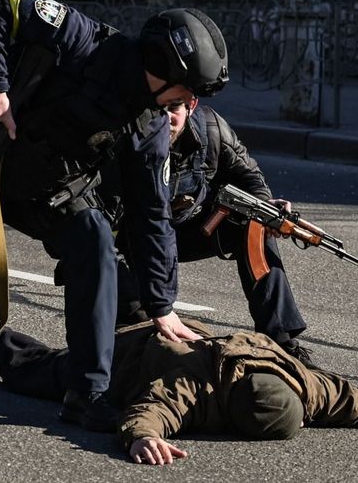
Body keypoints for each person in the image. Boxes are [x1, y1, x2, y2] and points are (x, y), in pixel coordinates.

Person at [0, 0, 231, 433]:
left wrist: (162, 304)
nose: (186, 105)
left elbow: (153, 216)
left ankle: (87, 394)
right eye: (185, 92)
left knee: (95, 239)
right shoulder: (83, 40)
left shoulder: (151, 126)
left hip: (40, 186)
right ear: (161, 66)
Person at [0, 320, 358, 466]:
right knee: (37, 369)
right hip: (128, 355)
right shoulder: (189, 386)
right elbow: (149, 414)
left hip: (174, 328)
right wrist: (140, 440)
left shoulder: (303, 385)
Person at [116, 100, 312, 363]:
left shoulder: (211, 128)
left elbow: (249, 176)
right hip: (134, 240)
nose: (165, 119)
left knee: (255, 223)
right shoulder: (127, 135)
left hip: (187, 230)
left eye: (174, 109)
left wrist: (267, 209)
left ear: (191, 106)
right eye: (158, 110)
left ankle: (280, 341)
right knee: (138, 335)